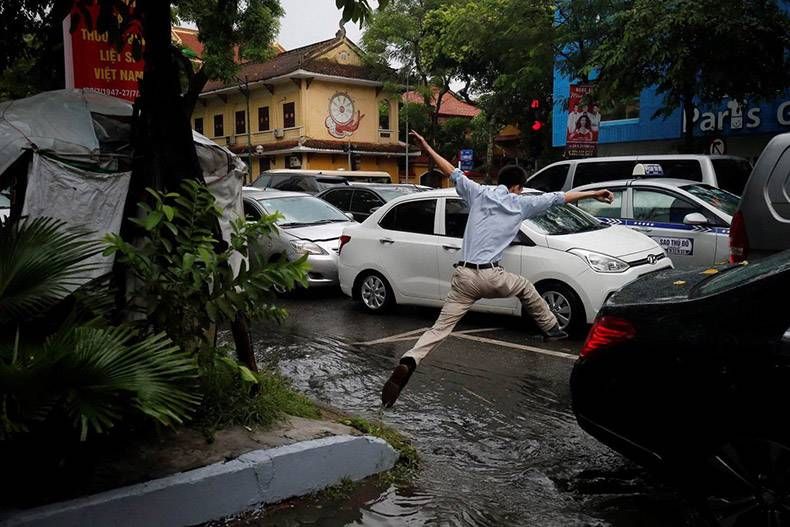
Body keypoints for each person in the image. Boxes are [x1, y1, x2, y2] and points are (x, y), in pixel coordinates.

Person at [381, 131, 614, 408]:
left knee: (439, 329)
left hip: (464, 277)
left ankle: (411, 359)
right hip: (492, 276)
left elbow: (450, 170)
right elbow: (563, 197)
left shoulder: (477, 193)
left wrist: (427, 146)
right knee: (526, 287)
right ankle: (552, 328)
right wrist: (596, 193)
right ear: (518, 187)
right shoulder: (521, 203)